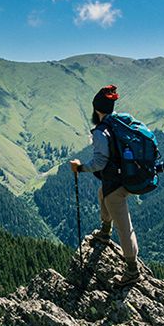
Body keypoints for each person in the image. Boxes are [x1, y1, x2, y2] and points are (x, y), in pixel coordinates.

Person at [69, 85, 141, 287]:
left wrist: (80, 168)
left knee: (124, 226)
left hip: (116, 184)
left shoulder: (102, 131)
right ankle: (105, 230)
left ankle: (132, 270)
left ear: (96, 109)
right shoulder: (120, 122)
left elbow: (100, 163)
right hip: (126, 176)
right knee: (103, 194)